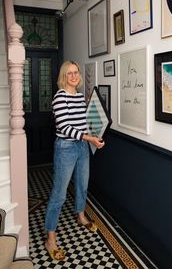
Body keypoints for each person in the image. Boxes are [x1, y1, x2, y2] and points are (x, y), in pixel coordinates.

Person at [44, 60, 105, 261]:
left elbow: (83, 124)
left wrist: (94, 137)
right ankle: (50, 238)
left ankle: (80, 215)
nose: (74, 76)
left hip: (82, 147)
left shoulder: (79, 97)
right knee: (59, 194)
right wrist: (89, 138)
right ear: (64, 76)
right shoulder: (59, 98)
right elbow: (65, 127)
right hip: (66, 149)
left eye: (76, 72)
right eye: (69, 73)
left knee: (82, 185)